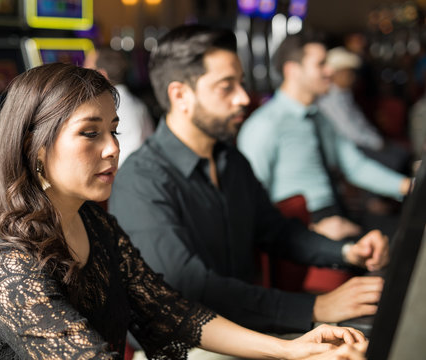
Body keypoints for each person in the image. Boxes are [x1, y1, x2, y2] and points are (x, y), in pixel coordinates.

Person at [0, 62, 367, 359]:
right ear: (35, 147)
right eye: (90, 133)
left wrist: (289, 349)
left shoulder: (94, 223)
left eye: (113, 130)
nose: (112, 148)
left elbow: (171, 311)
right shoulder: (8, 264)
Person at [109, 24, 387, 352]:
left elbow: (277, 232)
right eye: (227, 87)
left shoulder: (231, 159)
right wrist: (314, 307)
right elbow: (193, 290)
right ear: (180, 95)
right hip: (182, 344)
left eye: (240, 83)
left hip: (248, 327)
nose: (243, 97)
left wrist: (345, 251)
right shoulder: (141, 180)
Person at [237, 34, 412, 240]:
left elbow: (355, 166)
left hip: (338, 211)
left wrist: (408, 186)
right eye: (321, 65)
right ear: (293, 70)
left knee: (410, 236)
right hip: (301, 224)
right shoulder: (265, 124)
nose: (330, 71)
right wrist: (310, 230)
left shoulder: (320, 117)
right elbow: (250, 200)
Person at [317, 46, 410, 174]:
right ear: (337, 73)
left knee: (403, 156)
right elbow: (350, 131)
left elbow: (359, 123)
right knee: (399, 162)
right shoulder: (331, 98)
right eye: (348, 72)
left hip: (364, 144)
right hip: (356, 149)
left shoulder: (343, 94)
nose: (352, 77)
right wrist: (376, 142)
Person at [84, 46, 154, 167]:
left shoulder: (106, 108)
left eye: (87, 70)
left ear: (102, 75)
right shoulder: (136, 104)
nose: (82, 77)